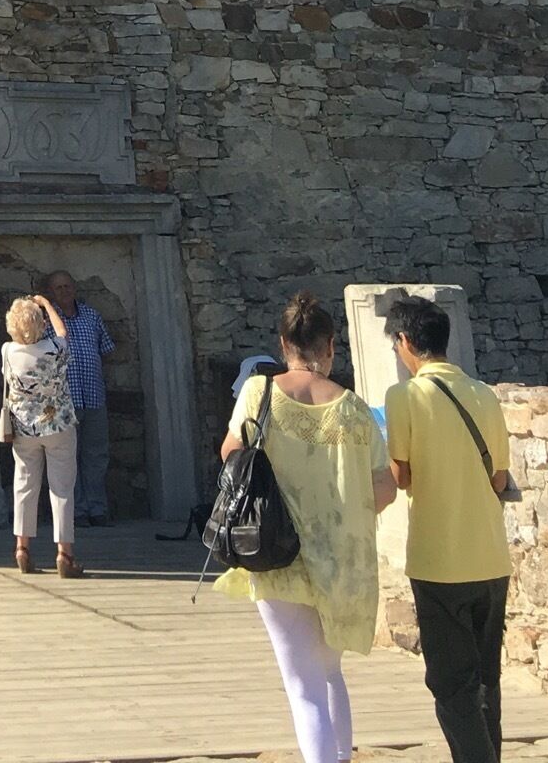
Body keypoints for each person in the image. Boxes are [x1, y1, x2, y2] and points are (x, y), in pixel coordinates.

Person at [215, 292, 396, 763]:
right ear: (331, 345)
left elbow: (230, 453)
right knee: (330, 675)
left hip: (279, 554)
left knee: (303, 686)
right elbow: (385, 490)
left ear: (283, 343)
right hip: (343, 562)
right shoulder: (355, 410)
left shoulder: (261, 392)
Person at [384, 296, 511, 763]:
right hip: (491, 557)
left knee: (450, 684)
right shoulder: (484, 393)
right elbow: (499, 478)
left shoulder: (405, 397)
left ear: (404, 341)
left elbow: (401, 477)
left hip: (438, 558)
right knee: (485, 680)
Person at [0, 292, 83, 577]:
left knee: (24, 486)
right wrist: (46, 303)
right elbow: (63, 331)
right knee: (61, 489)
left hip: (24, 428)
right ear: (41, 324)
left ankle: (22, 548)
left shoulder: (8, 351)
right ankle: (64, 553)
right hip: (58, 425)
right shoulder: (56, 348)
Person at [43, 269, 115, 525]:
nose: (65, 291)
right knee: (67, 458)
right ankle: (76, 511)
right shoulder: (46, 321)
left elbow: (106, 350)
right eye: (58, 288)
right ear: (50, 293)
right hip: (64, 401)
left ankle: (97, 508)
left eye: (68, 286)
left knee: (95, 455)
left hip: (93, 396)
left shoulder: (92, 316)